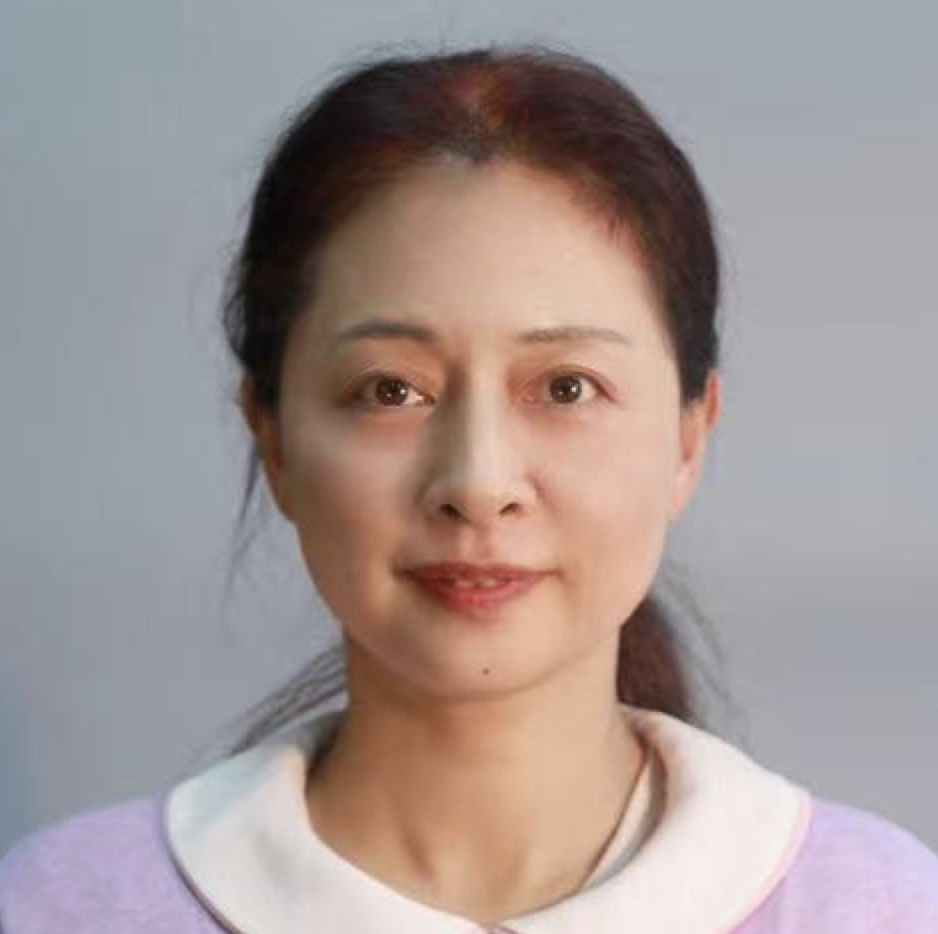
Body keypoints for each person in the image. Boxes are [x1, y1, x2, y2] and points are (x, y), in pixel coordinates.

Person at [1, 41, 936, 933]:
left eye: (567, 388)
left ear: (691, 435)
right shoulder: (59, 910)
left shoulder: (880, 911)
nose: (479, 484)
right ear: (273, 437)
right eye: (390, 391)